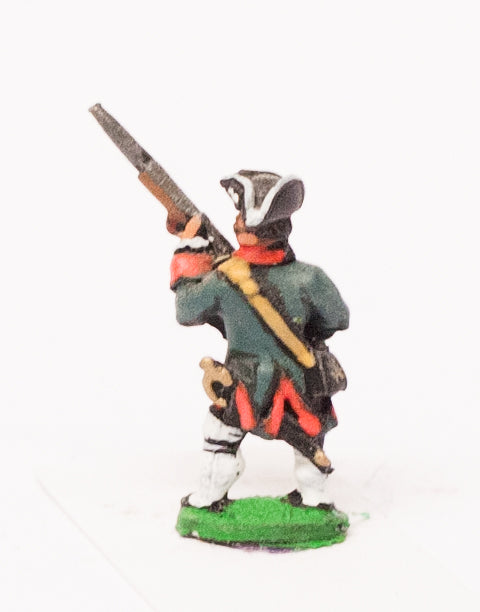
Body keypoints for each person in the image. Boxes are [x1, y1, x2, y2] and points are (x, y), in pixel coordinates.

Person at [170, 170, 349, 511]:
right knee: (310, 439)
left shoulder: (223, 280)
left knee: (220, 437)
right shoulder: (311, 277)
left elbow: (186, 309)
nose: (235, 222)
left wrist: (189, 250)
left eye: (239, 218)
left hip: (245, 381)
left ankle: (209, 497)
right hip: (302, 377)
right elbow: (337, 318)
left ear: (247, 231)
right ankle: (314, 497)